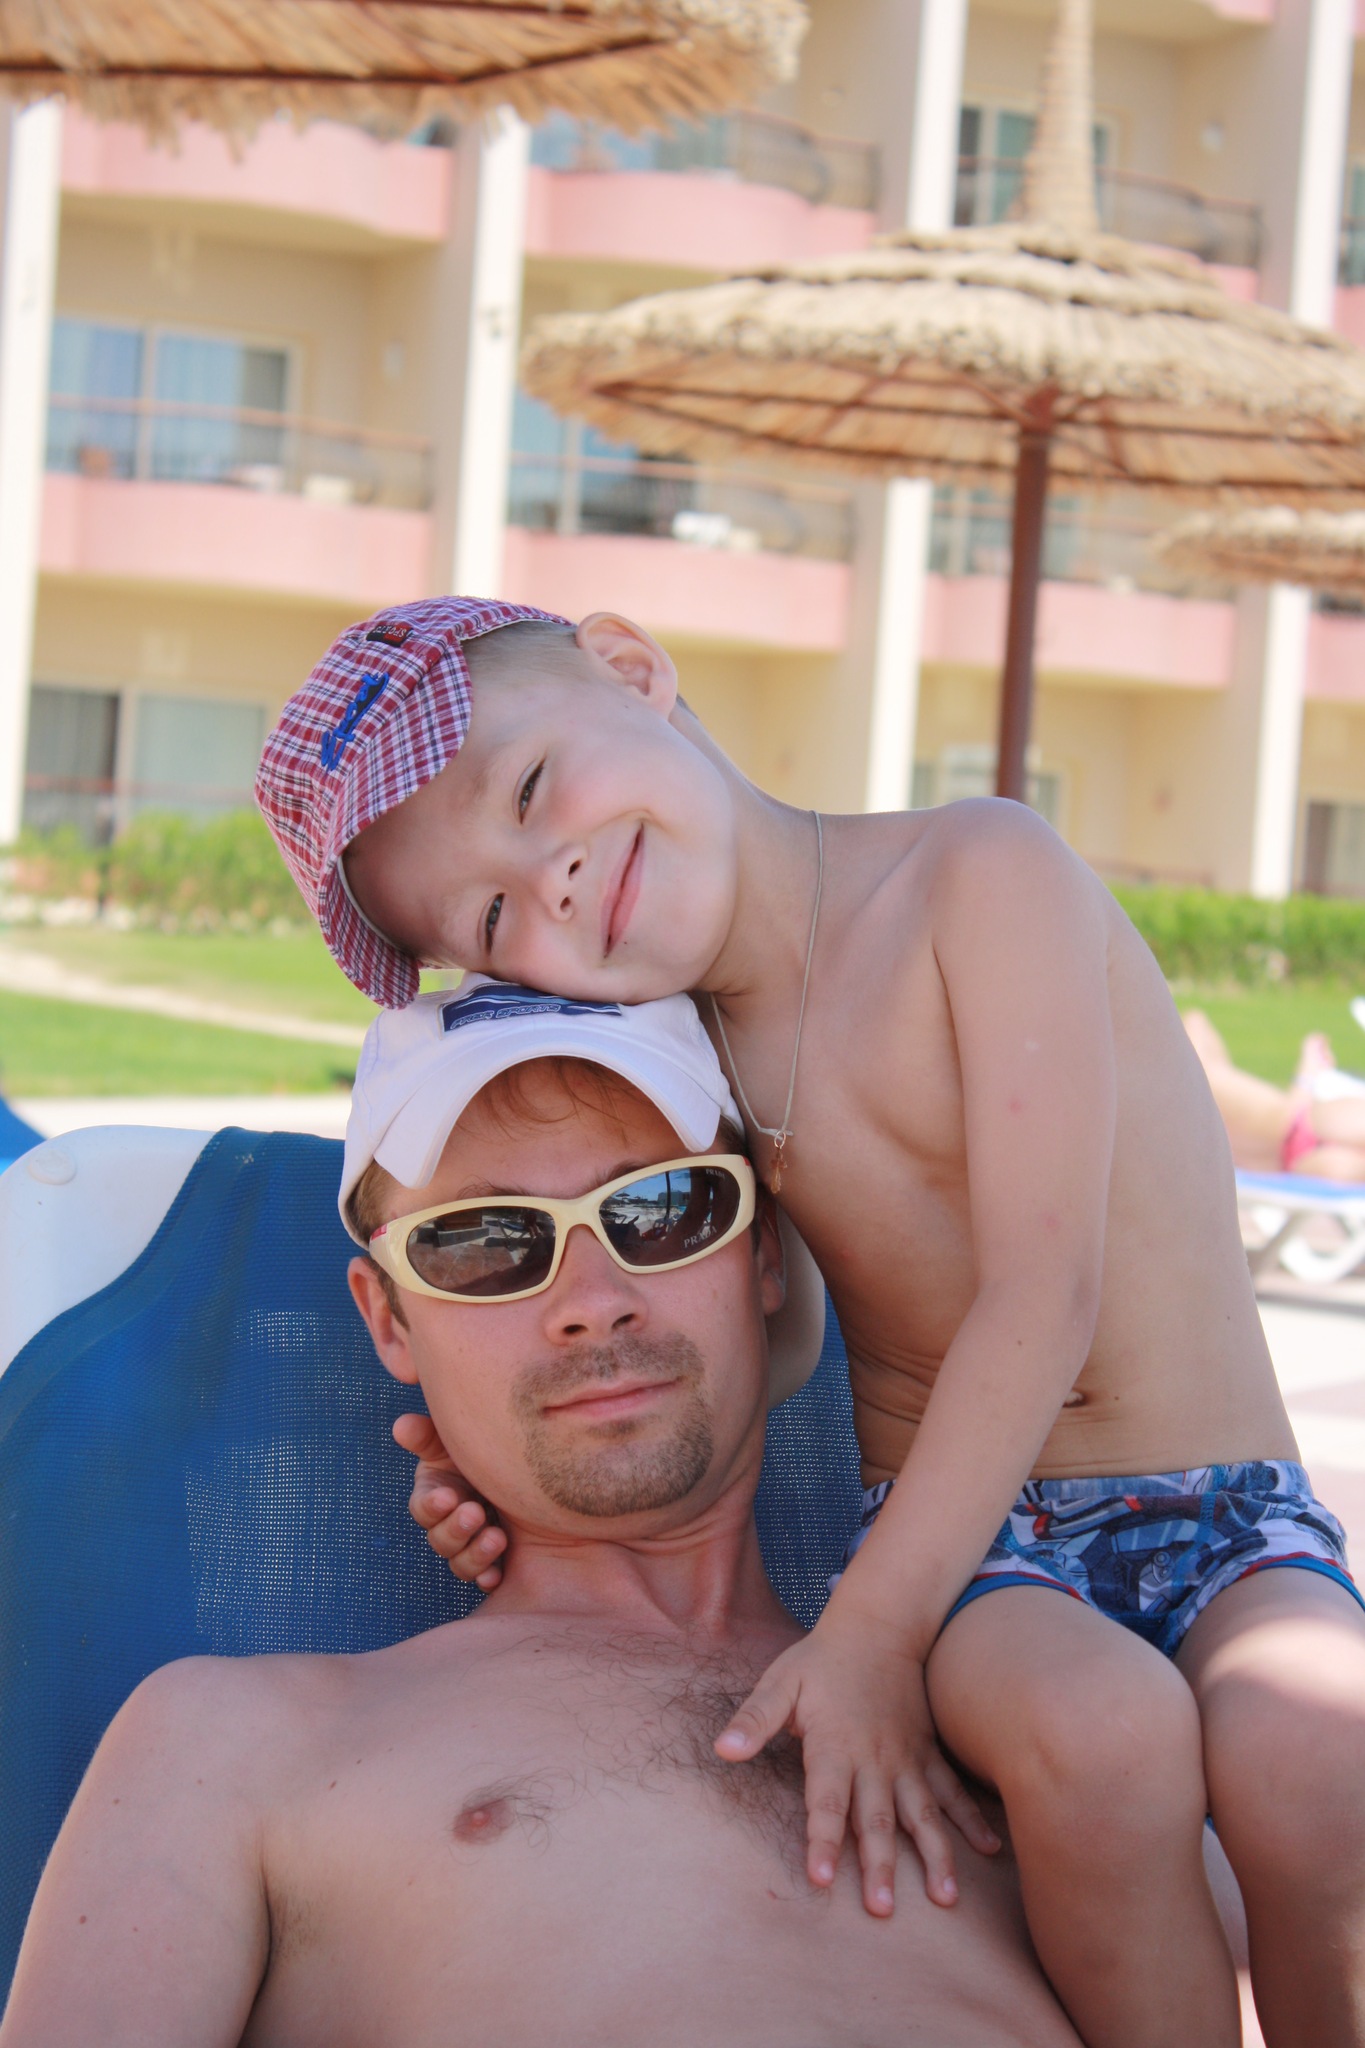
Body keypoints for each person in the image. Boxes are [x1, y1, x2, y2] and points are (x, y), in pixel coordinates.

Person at [256, 595, 1365, 2048]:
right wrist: (519, 1477)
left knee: (1312, 1750)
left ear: (633, 669)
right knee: (1099, 1737)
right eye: (493, 921)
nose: (554, 881)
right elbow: (764, 1349)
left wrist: (867, 1637)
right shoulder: (688, 1056)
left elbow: (1048, 1289)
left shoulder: (978, 872)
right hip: (976, 1549)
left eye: (530, 790)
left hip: (1222, 1502)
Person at [0, 991, 1084, 2048]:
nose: (592, 1299)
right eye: (484, 1243)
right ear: (390, 1321)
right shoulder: (232, 1741)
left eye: (664, 1207)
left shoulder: (1025, 1725)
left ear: (762, 1254)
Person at [1185, 1010, 1365, 1182]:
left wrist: (1306, 1077)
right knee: (1195, 1034)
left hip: (1288, 1129)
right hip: (1289, 1148)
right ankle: (1309, 1073)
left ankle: (1309, 1072)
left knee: (1194, 1026)